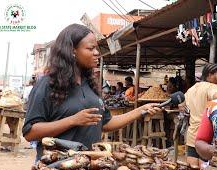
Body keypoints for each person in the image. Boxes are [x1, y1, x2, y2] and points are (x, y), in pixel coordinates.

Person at [22, 24, 161, 160]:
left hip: (88, 167)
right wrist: (73, 120)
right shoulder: (47, 84)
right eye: (91, 48)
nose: (96, 53)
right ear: (72, 51)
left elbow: (106, 123)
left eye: (96, 48)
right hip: (58, 168)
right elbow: (30, 133)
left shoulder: (90, 85)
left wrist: (140, 111)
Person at [181, 63, 217, 166]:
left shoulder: (192, 88)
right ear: (209, 75)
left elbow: (181, 105)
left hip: (192, 134)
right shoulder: (212, 87)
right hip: (206, 136)